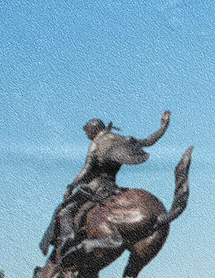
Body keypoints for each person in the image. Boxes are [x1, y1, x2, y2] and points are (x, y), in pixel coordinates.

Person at [40, 111, 170, 259]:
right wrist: (164, 126)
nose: (87, 136)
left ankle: (67, 240)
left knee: (64, 211)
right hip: (113, 188)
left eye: (88, 133)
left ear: (93, 130)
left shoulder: (96, 144)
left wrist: (71, 185)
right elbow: (148, 141)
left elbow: (86, 170)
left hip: (95, 187)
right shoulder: (121, 139)